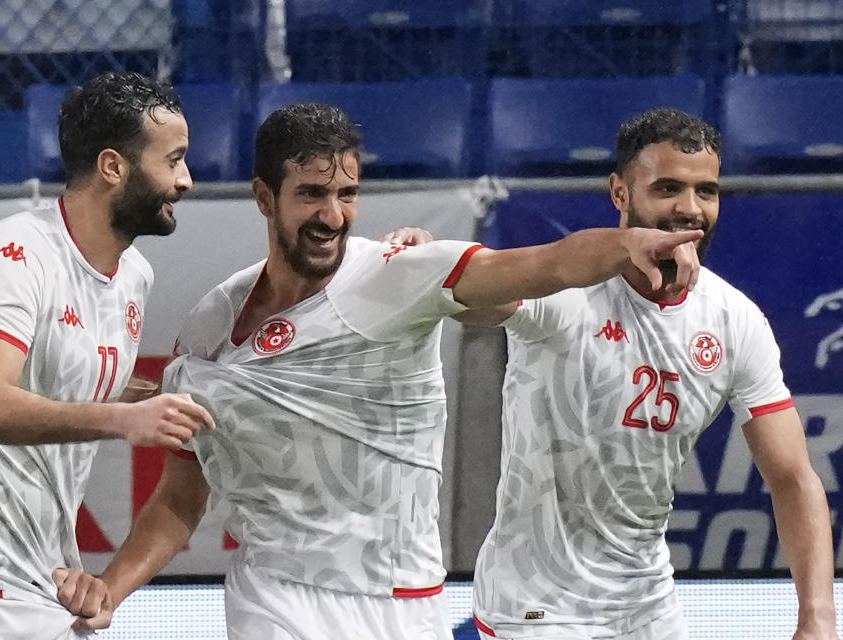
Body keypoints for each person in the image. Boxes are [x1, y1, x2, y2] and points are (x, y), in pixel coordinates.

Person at [54, 101, 703, 639]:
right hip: (274, 595)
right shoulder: (210, 328)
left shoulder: (396, 276)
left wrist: (625, 245)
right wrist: (111, 590)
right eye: (311, 194)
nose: (332, 216)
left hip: (399, 604)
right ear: (263, 197)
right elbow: (180, 496)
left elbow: (546, 263)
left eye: (346, 194)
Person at [469, 107, 840, 640]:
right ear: (620, 193)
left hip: (648, 607)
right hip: (536, 609)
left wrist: (818, 620)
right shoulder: (562, 284)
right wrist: (426, 264)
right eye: (667, 188)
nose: (690, 209)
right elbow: (464, 301)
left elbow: (793, 477)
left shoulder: (735, 320)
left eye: (706, 191)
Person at [0, 71, 214, 640]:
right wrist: (125, 421)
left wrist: (178, 400)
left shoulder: (134, 276)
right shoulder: (14, 256)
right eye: (172, 161)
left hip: (44, 578)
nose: (187, 180)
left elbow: (71, 380)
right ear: (113, 167)